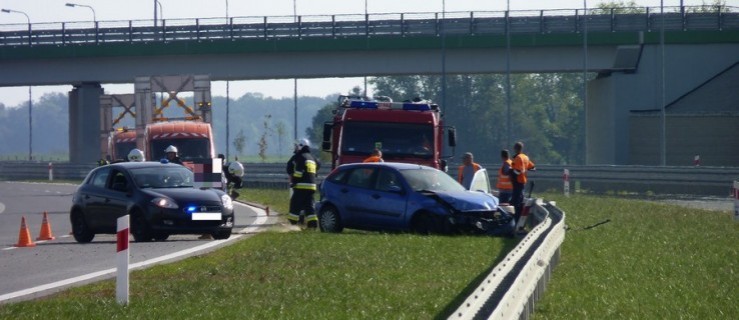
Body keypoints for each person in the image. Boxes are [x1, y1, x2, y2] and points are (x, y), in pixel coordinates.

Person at [286, 138, 320, 229]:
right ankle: (312, 225)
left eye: (297, 146)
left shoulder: (300, 157)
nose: (296, 148)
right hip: (312, 187)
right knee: (309, 206)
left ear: (301, 146)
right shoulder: (312, 158)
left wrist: (294, 181)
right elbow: (318, 165)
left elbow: (298, 172)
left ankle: (292, 224)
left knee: (295, 204)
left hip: (302, 186)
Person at [510, 141, 536, 229]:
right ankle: (518, 221)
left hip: (517, 182)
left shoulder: (518, 158)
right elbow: (532, 167)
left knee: (515, 203)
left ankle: (515, 222)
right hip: (523, 182)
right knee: (519, 201)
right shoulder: (525, 157)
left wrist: (511, 172)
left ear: (515, 148)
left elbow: (517, 171)